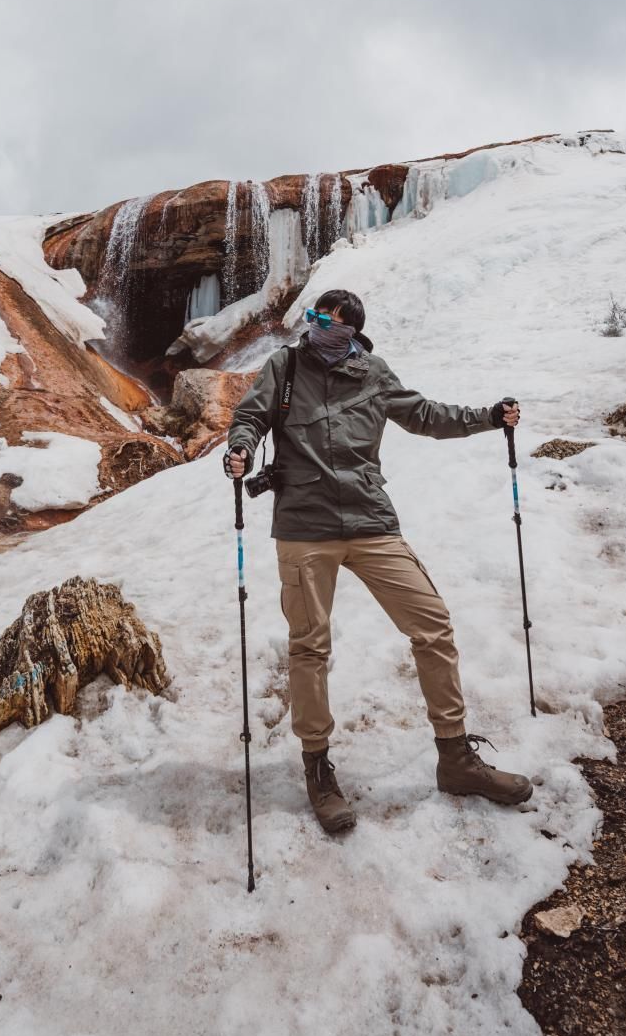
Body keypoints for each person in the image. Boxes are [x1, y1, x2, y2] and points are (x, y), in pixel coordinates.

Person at [224, 288, 533, 835]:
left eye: (329, 321)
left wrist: (488, 417)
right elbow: (250, 415)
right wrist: (241, 447)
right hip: (304, 527)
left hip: (370, 520)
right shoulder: (286, 365)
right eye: (314, 317)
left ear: (351, 331)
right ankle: (318, 768)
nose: (317, 326)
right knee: (310, 645)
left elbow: (425, 415)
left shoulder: (373, 373)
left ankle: (455, 759)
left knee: (432, 627)